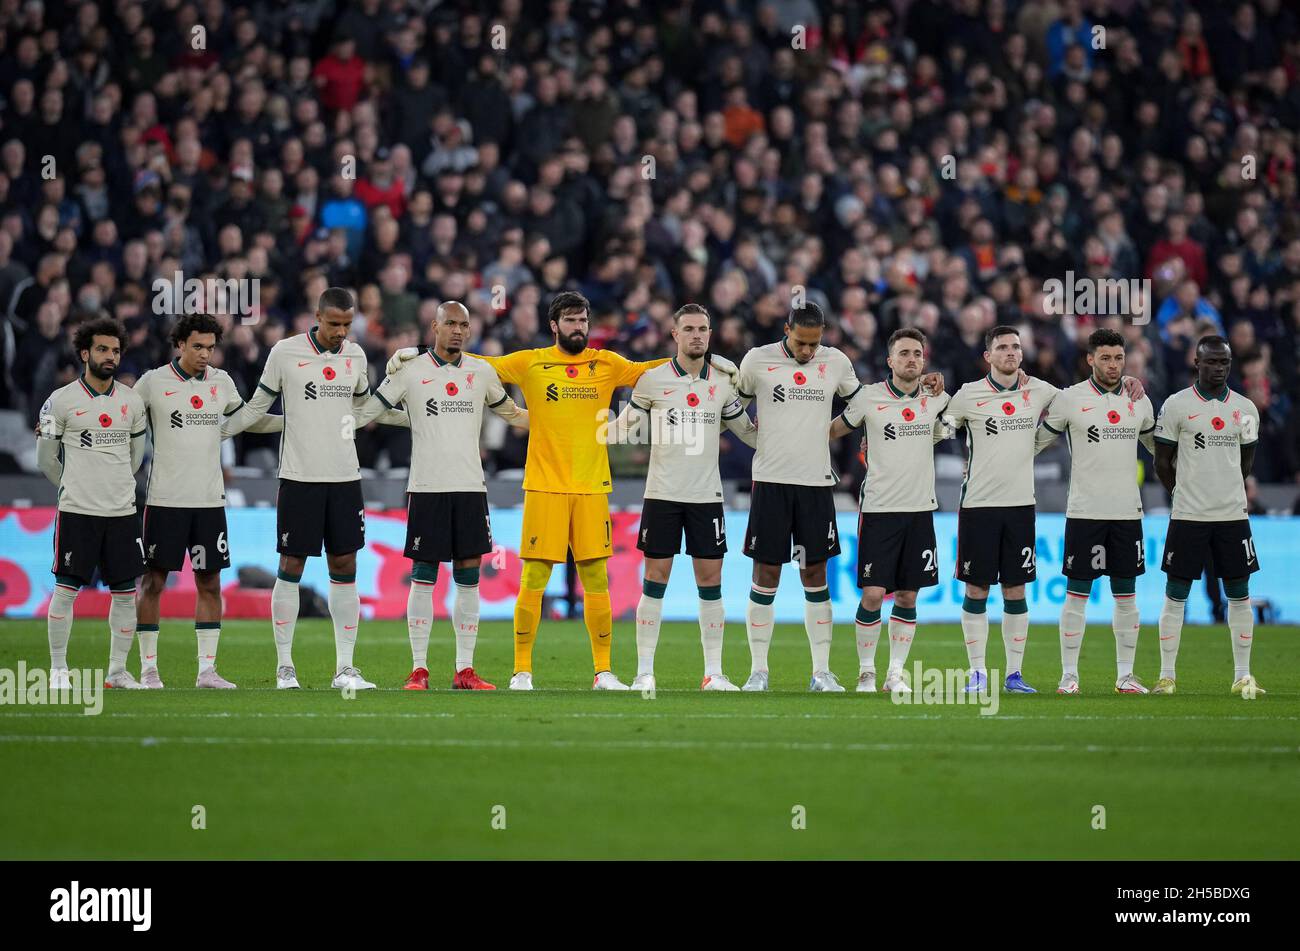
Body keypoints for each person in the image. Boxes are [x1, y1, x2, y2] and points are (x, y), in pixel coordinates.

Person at [224, 287, 405, 690]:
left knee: (345, 568)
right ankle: (285, 667)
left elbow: (364, 411)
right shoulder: (284, 353)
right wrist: (216, 432)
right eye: (334, 323)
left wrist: (414, 418)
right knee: (291, 567)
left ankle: (345, 668)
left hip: (345, 479)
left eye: (347, 324)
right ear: (318, 316)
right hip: (299, 479)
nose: (341, 332)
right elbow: (257, 408)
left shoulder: (356, 357)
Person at [358, 301, 528, 689]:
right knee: (423, 577)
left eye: (463, 325)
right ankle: (419, 669)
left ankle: (464, 670)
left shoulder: (481, 372)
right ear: (433, 326)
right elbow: (371, 410)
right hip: (427, 488)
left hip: (470, 487)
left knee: (469, 579)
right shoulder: (411, 371)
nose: (457, 330)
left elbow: (513, 414)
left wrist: (557, 421)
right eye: (449, 323)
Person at [612, 303, 757, 691]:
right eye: (689, 329)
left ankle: (713, 673)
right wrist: (583, 430)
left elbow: (749, 432)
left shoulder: (723, 382)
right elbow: (621, 430)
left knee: (711, 583)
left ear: (711, 335)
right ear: (674, 335)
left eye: (703, 329)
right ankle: (644, 671)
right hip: (662, 494)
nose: (697, 335)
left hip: (706, 496)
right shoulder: (652, 380)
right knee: (654, 581)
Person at [134, 313, 282, 688]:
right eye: (197, 346)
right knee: (153, 582)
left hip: (209, 502)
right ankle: (149, 668)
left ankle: (207, 671)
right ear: (180, 344)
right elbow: (123, 417)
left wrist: (292, 420)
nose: (205, 355)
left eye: (211, 348)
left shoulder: (222, 382)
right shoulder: (152, 383)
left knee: (210, 582)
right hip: (165, 500)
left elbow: (247, 418)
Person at [1034, 328, 1157, 694]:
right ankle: (1069, 675)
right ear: (1090, 359)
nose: (1114, 365)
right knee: (1076, 594)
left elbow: (1160, 449)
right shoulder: (1070, 399)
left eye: (1119, 358)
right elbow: (1036, 443)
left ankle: (1125, 675)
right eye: (1105, 358)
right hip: (1085, 511)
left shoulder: (1140, 401)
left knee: (1126, 596)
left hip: (1127, 512)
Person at [830, 327, 950, 693]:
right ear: (890, 360)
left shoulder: (938, 399)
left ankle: (894, 673)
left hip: (920, 511)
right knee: (872, 594)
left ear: (924, 360)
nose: (911, 359)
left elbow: (960, 423)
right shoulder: (868, 398)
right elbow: (834, 430)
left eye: (917, 353)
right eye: (904, 353)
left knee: (908, 595)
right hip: (880, 510)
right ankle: (866, 670)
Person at [36, 317, 148, 688]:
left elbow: (135, 458)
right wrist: (74, 485)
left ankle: (117, 671)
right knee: (66, 589)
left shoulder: (132, 402)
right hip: (77, 512)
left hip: (121, 512)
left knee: (125, 594)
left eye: (115, 350)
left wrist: (114, 485)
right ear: (85, 353)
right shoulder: (60, 401)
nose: (110, 356)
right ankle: (57, 670)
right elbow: (46, 460)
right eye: (102, 349)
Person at [1152, 335, 1263, 696]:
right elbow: (1161, 461)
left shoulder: (1246, 409)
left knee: (1240, 594)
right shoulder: (1176, 406)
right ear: (1196, 363)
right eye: (1212, 362)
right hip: (1188, 516)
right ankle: (1167, 676)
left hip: (1232, 515)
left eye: (1225, 362)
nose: (1219, 368)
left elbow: (1245, 463)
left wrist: (1223, 489)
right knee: (1175, 594)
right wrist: (1181, 493)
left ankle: (1243, 676)